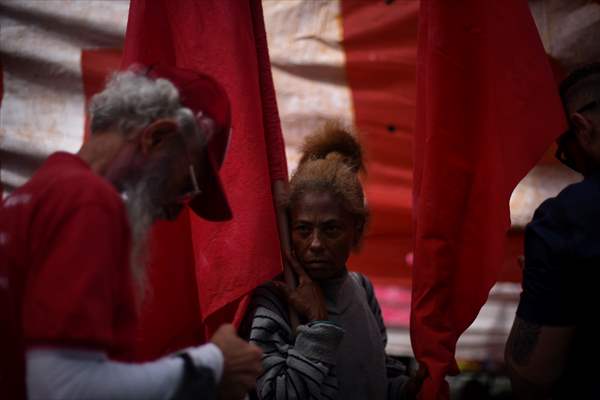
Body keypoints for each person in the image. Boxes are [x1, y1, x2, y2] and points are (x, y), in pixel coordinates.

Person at [0, 66, 262, 400]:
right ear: (157, 137)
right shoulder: (89, 203)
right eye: (187, 184)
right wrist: (212, 363)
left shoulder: (38, 191)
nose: (175, 210)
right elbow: (63, 389)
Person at [241, 123, 424, 400]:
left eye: (331, 229)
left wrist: (407, 389)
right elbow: (276, 394)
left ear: (357, 229)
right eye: (303, 229)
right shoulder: (273, 299)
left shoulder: (362, 289)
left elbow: (376, 374)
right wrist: (318, 325)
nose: (315, 244)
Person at [505, 63, 600, 399]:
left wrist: (539, 287)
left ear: (582, 129)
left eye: (566, 153)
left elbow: (531, 375)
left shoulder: (569, 218)